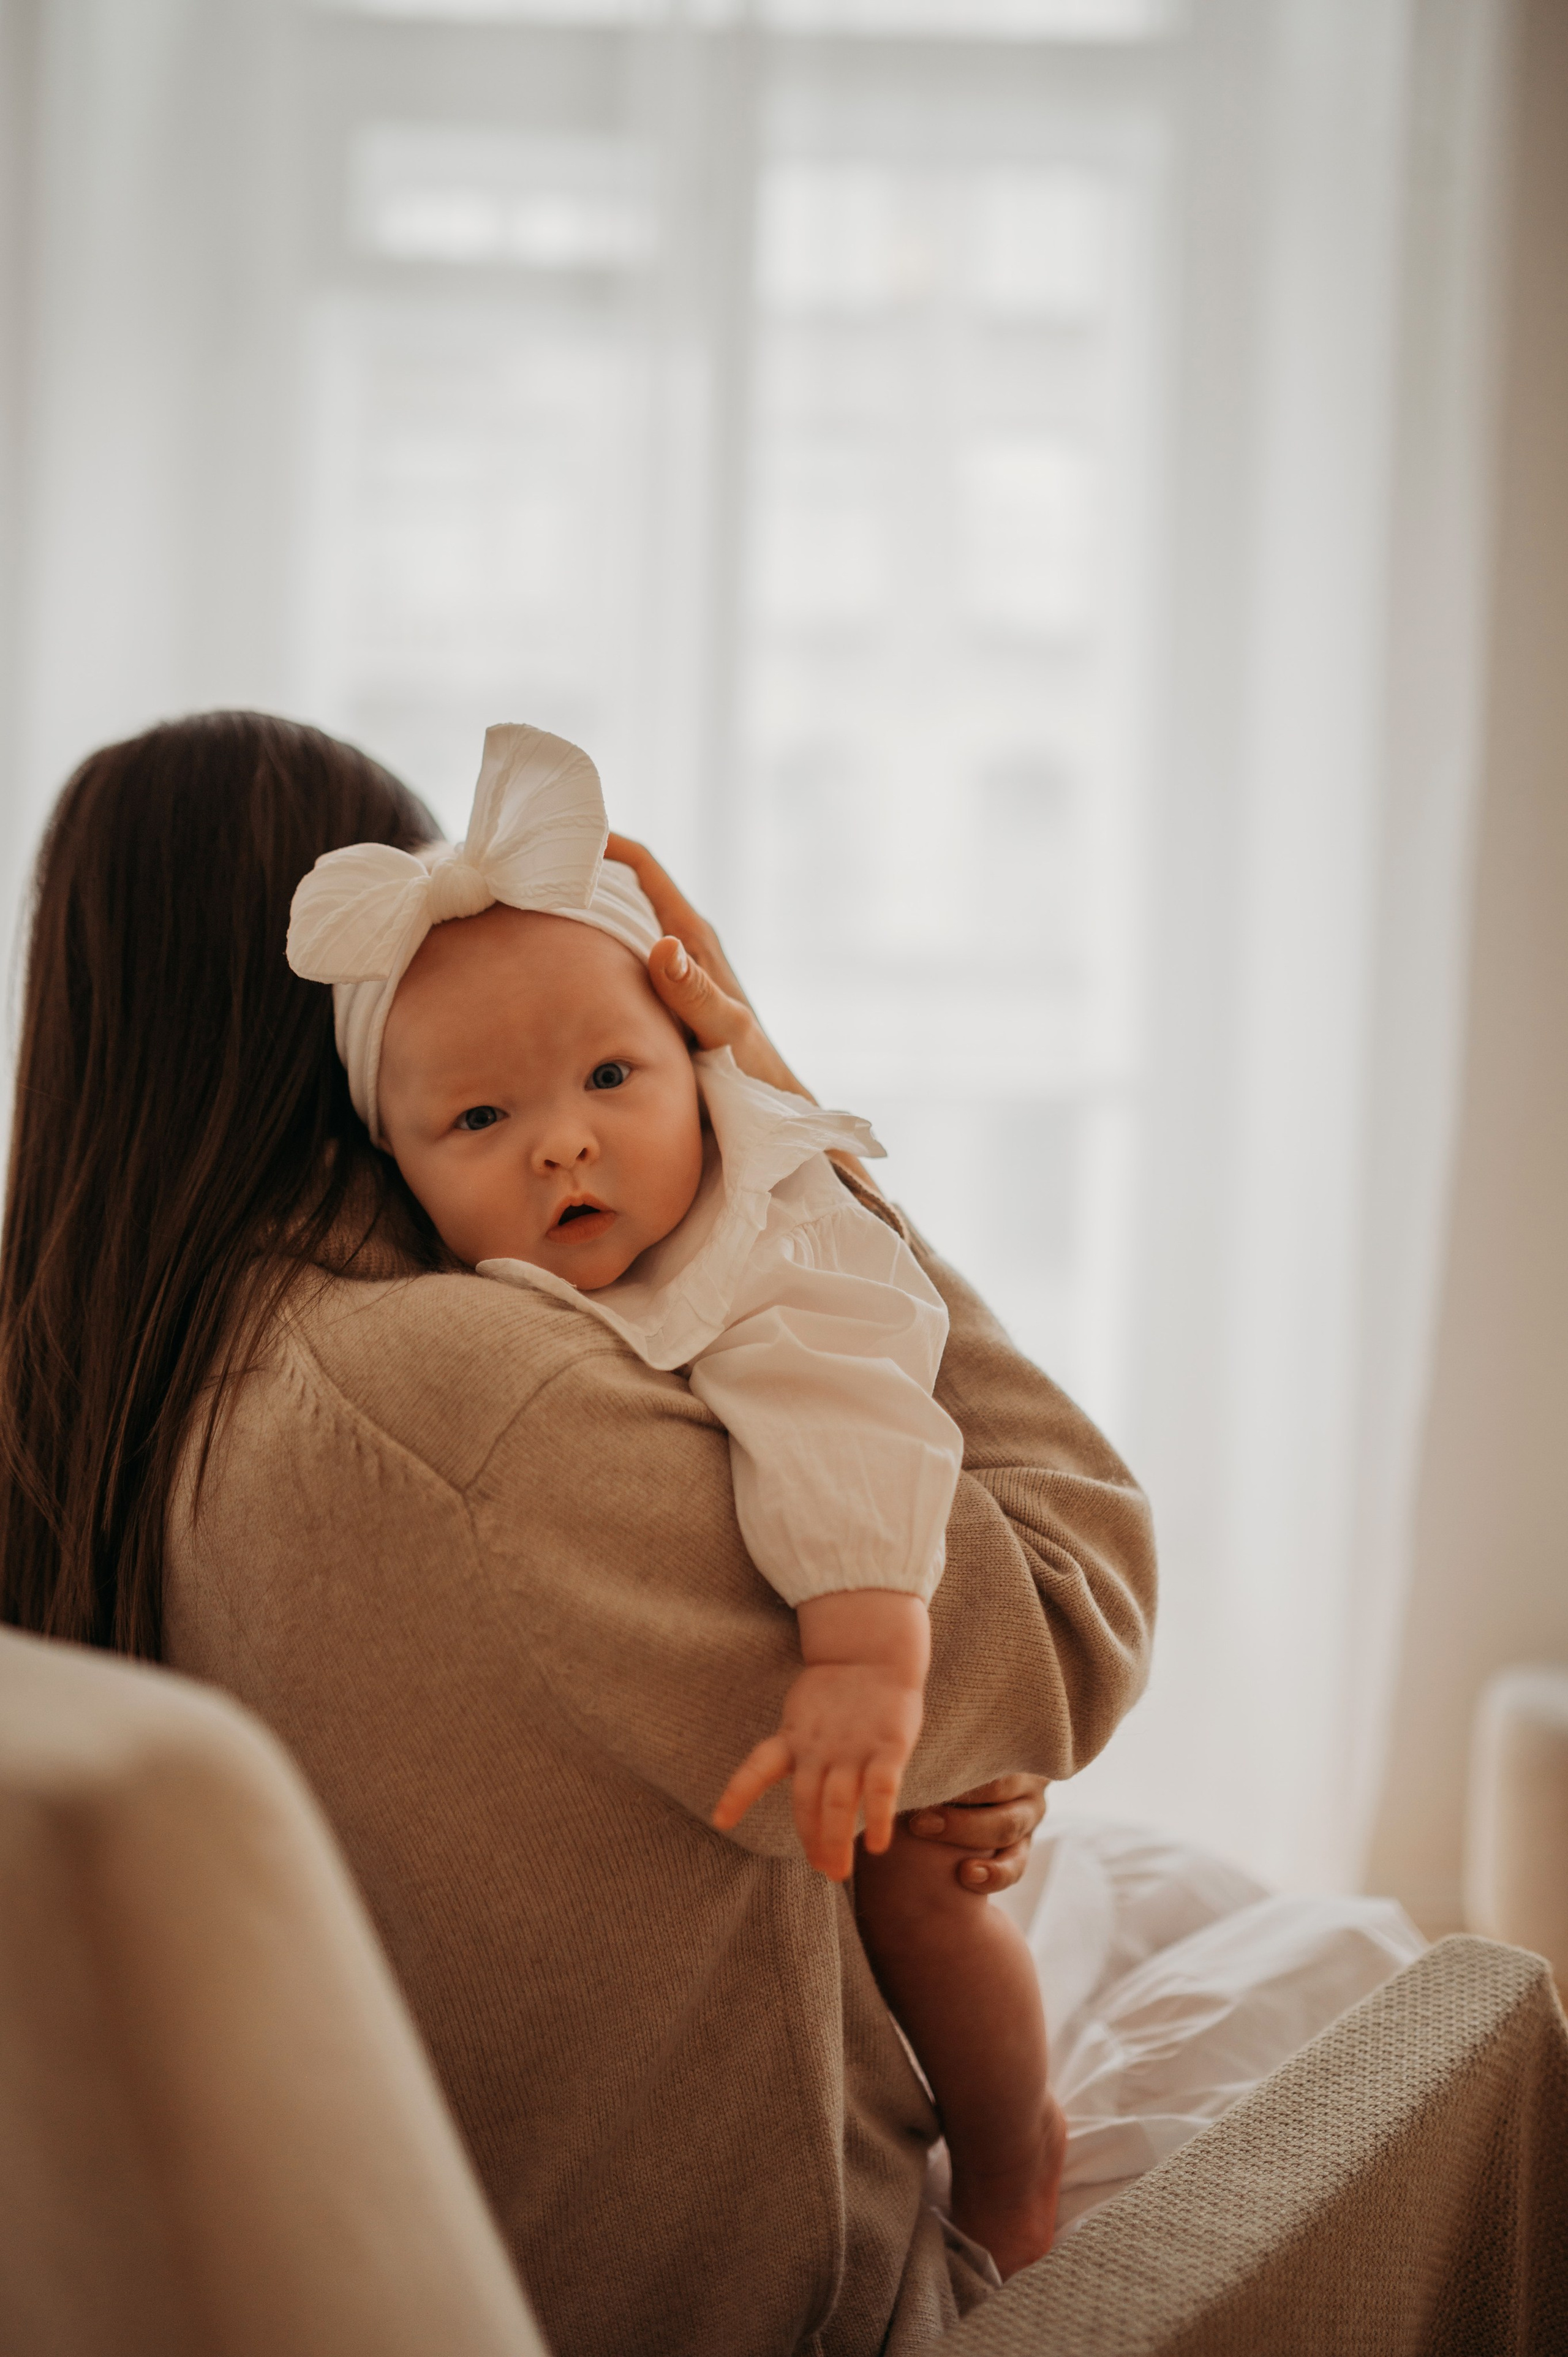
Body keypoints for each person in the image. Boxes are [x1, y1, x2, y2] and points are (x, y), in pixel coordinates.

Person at [0, 710, 1156, 2357]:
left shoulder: (93, 1384)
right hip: (739, 2304)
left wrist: (924, 1751)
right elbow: (1070, 1596)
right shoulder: (464, 1398)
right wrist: (769, 1113)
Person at [285, 720, 1066, 2274]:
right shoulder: (472, 1348)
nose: (566, 1137)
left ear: (698, 1073)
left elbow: (857, 1435)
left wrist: (871, 1663)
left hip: (874, 1646)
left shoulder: (757, 1268)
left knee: (927, 1892)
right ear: (392, 1166)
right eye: (481, 1121)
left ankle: (1014, 2150)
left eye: (611, 1075)